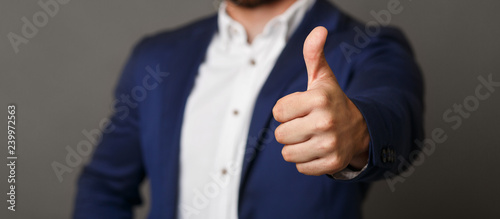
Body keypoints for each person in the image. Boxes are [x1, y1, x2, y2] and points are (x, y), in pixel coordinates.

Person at [73, 0, 424, 218]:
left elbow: (396, 119)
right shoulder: (156, 57)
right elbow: (104, 184)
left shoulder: (370, 46)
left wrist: (359, 130)